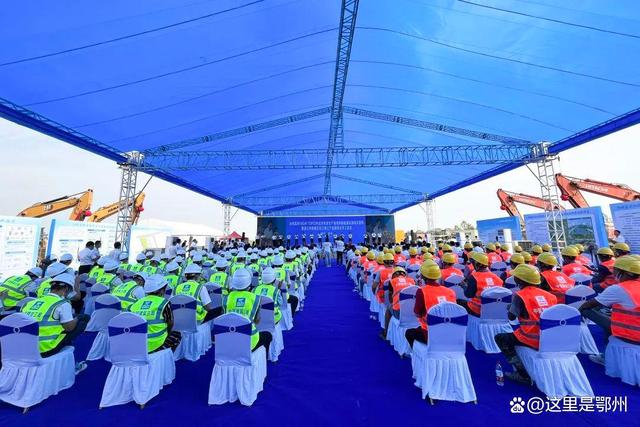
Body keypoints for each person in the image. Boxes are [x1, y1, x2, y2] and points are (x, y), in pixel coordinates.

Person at [495, 264, 557, 384]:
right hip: (549, 336)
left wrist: (511, 308)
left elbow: (511, 317)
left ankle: (522, 374)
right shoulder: (550, 296)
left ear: (520, 280)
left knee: (501, 338)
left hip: (531, 338)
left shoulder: (520, 296)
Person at [21, 272, 89, 372]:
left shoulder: (30, 303)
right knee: (83, 320)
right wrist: (76, 319)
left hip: (25, 346)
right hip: (45, 348)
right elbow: (69, 328)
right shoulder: (62, 304)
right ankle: (71, 361)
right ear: (66, 289)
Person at [579, 256, 640, 365]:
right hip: (635, 326)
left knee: (586, 310)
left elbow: (590, 304)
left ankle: (606, 357)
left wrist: (579, 311)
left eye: (615, 271)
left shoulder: (619, 288)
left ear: (624, 273)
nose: (613, 274)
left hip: (632, 335)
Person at [405, 263, 456, 347]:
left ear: (423, 276)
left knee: (409, 333)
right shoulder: (450, 291)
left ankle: (418, 353)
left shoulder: (421, 291)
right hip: (449, 331)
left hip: (430, 334)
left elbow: (417, 313)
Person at [130, 274, 182, 353]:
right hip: (157, 344)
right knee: (177, 335)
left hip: (139, 343)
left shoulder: (135, 304)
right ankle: (164, 355)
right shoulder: (164, 303)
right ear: (162, 290)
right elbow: (170, 323)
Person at [224, 269, 272, 352]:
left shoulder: (226, 298)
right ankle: (265, 357)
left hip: (230, 337)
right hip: (249, 339)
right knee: (268, 336)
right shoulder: (255, 298)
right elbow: (257, 321)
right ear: (249, 284)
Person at [382, 267, 415, 338]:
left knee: (388, 309)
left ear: (394, 275)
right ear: (404, 274)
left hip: (399, 313)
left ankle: (385, 332)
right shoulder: (412, 281)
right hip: (413, 313)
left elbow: (390, 300)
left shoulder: (392, 281)